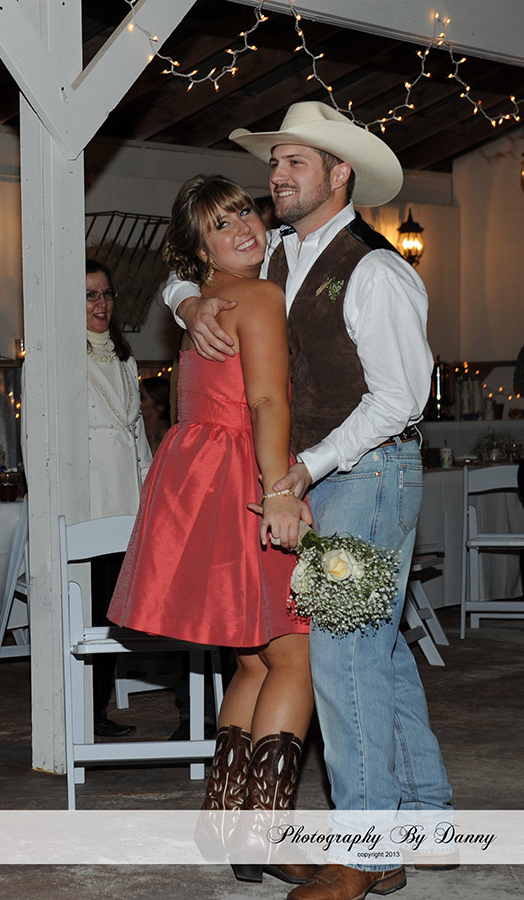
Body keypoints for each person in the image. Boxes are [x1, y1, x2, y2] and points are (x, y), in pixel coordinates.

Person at [163, 102, 453, 900]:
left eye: (296, 162)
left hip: (368, 477)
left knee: (343, 652)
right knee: (379, 653)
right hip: (320, 480)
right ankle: (428, 821)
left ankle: (366, 851)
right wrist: (187, 301)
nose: (278, 176)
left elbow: (401, 398)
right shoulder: (281, 251)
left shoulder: (378, 270)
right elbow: (190, 265)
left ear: (339, 173)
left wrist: (303, 471)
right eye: (276, 162)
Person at [108, 175, 316, 886]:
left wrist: (186, 296)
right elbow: (265, 402)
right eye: (220, 226)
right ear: (200, 250)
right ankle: (269, 833)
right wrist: (280, 491)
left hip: (206, 483)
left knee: (254, 661)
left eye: (243, 212)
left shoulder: (208, 302)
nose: (242, 228)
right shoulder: (257, 296)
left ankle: (223, 820)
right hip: (248, 481)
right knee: (296, 657)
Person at [85, 258, 153, 738]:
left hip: (128, 504)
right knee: (90, 613)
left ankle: (98, 711)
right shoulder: (60, 358)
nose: (101, 304)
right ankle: (83, 714)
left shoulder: (125, 360)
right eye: (90, 295)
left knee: (114, 611)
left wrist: (150, 494)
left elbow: (138, 437)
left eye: (107, 294)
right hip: (91, 505)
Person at [139, 376, 171, 454]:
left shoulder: (167, 438)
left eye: (141, 397)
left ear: (159, 407)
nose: (136, 402)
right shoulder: (138, 432)